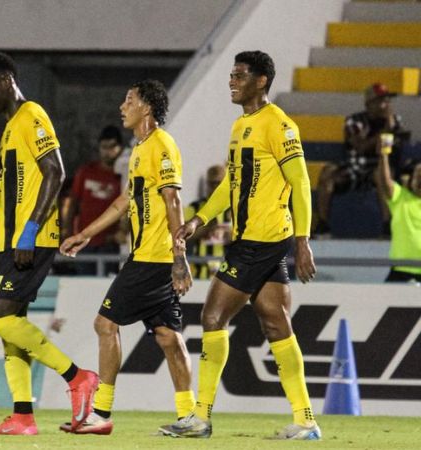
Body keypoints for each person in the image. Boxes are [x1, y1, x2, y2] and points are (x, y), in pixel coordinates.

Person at [159, 51, 321, 440]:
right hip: (255, 240)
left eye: (240, 75)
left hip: (260, 240)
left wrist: (303, 241)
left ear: (261, 81)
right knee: (275, 322)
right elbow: (232, 184)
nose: (232, 81)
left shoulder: (279, 125)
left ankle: (200, 417)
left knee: (213, 317)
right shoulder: (241, 125)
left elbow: (300, 183)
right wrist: (199, 219)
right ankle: (305, 420)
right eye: (231, 75)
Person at [59, 79, 194, 435]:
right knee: (167, 336)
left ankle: (101, 413)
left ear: (146, 107)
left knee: (105, 324)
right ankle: (190, 417)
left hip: (153, 257)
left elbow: (173, 199)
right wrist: (86, 233)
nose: (122, 106)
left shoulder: (161, 145)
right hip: (150, 255)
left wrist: (179, 257)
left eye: (129, 100)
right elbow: (124, 201)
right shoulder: (140, 148)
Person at [0, 52, 98, 435]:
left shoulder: (32, 116)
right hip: (10, 242)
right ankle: (23, 416)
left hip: (31, 239)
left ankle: (78, 377)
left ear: (7, 81)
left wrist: (28, 231)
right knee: (13, 326)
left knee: (1, 320)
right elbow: (11, 193)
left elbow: (55, 172)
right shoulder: (11, 127)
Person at [315, 83, 409, 236]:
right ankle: (322, 225)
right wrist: (385, 132)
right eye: (381, 100)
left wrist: (391, 127)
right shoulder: (355, 121)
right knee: (327, 173)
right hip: (355, 168)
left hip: (379, 168)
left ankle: (387, 226)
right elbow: (360, 147)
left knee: (382, 175)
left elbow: (394, 149)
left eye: (387, 100)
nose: (385, 105)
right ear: (369, 104)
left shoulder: (394, 121)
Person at [60, 125, 124, 275]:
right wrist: (67, 231)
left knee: (107, 284)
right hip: (84, 241)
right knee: (83, 282)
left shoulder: (123, 176)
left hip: (109, 243)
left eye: (112, 146)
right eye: (104, 147)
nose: (107, 151)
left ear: (120, 148)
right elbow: (72, 204)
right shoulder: (86, 172)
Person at [374, 137, 421, 283]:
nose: (420, 180)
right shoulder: (401, 196)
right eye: (418, 176)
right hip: (400, 270)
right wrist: (384, 155)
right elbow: (385, 181)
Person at [184, 164, 232, 279]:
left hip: (227, 271)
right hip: (199, 271)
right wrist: (205, 229)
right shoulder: (194, 207)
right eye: (212, 183)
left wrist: (231, 235)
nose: (215, 187)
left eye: (219, 183)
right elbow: (181, 234)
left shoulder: (235, 208)